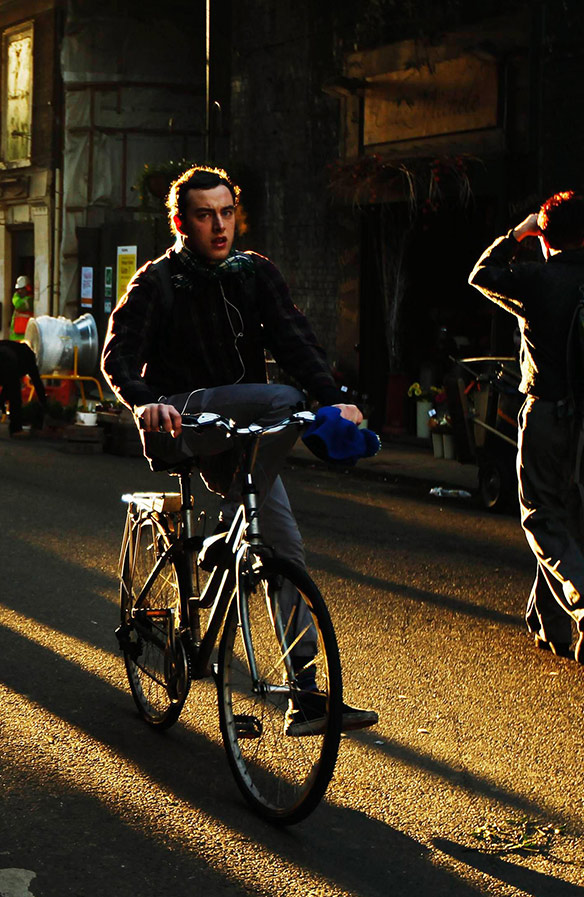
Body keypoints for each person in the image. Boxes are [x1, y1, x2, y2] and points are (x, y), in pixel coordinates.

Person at [101, 164, 377, 735]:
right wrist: (145, 402)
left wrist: (336, 399)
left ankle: (304, 694)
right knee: (282, 397)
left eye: (226, 213)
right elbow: (118, 356)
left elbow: (295, 339)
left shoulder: (255, 275)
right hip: (188, 417)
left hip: (246, 432)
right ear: (181, 221)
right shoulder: (157, 281)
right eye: (204, 215)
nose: (219, 226)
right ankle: (234, 524)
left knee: (287, 554)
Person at [467, 191, 584, 664]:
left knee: (539, 514)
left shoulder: (536, 280)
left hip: (548, 414)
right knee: (570, 515)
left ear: (545, 236)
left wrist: (518, 233)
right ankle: (550, 625)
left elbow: (479, 275)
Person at [0, 339, 47, 437]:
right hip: (7, 359)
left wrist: (1, 400)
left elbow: (7, 386)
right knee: (15, 395)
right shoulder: (29, 358)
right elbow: (36, 381)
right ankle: (15, 429)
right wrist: (44, 402)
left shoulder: (17, 349)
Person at [10, 275, 34, 341]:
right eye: (18, 289)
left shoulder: (30, 300)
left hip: (26, 338)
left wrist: (15, 296)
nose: (19, 291)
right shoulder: (21, 299)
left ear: (28, 288)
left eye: (22, 289)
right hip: (15, 337)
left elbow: (18, 305)